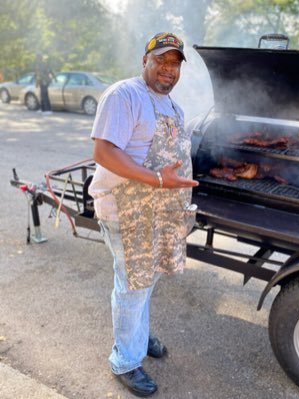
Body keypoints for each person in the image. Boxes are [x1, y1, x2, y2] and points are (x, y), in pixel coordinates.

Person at [88, 32, 199, 397]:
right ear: (145, 60)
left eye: (175, 64)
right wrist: (156, 178)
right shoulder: (125, 95)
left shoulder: (174, 107)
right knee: (132, 283)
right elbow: (104, 152)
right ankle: (125, 359)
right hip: (125, 208)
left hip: (159, 207)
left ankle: (135, 335)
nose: (168, 70)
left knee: (147, 279)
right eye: (161, 61)